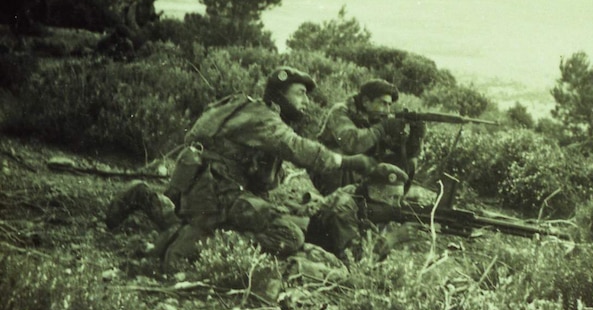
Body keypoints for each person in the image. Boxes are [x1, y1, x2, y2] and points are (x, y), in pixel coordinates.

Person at [106, 66, 377, 272]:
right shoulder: (264, 119)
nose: (305, 101)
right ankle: (207, 244)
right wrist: (349, 162)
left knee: (188, 219)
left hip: (198, 185)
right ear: (280, 95)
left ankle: (146, 197)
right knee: (290, 235)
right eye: (300, 94)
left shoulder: (247, 108)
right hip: (218, 191)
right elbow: (297, 148)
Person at [312, 79, 426, 195]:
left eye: (389, 105)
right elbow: (352, 143)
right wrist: (383, 128)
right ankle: (337, 201)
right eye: (383, 103)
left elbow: (403, 152)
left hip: (362, 171)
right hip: (330, 172)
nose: (387, 110)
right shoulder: (341, 110)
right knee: (342, 155)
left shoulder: (379, 117)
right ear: (366, 101)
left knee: (410, 161)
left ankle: (391, 200)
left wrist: (415, 137)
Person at [306, 162, 415, 264]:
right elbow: (353, 258)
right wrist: (393, 238)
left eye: (399, 198)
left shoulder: (363, 198)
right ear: (373, 192)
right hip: (315, 259)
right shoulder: (344, 206)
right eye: (393, 197)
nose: (397, 205)